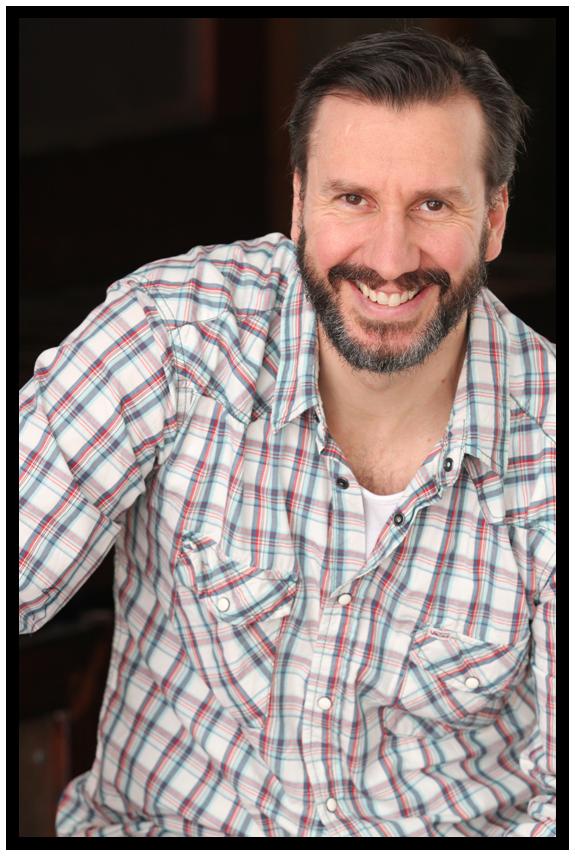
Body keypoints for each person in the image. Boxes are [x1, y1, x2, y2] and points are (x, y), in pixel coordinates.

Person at [19, 29, 555, 838]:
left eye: (433, 205)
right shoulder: (172, 336)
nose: (389, 257)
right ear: (300, 204)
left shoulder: (550, 440)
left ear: (493, 220)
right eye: (353, 199)